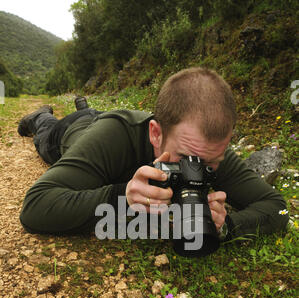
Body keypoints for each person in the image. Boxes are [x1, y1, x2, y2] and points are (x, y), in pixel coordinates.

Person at [18, 67, 288, 249]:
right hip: (75, 131)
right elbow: (36, 206)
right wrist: (121, 197)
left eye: (210, 164)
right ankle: (40, 114)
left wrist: (227, 225)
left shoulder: (205, 149)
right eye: (185, 158)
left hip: (109, 124)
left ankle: (81, 107)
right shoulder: (115, 137)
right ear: (155, 135)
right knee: (45, 134)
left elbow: (277, 207)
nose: (196, 171)